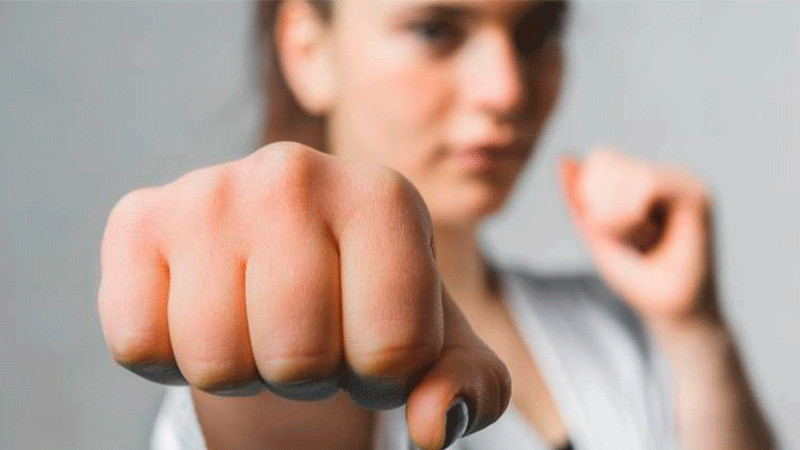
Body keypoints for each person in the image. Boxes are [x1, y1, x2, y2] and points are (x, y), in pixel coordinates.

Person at [97, 1, 776, 449]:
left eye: (537, 30)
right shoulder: (290, 357)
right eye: (434, 29)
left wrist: (695, 329)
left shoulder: (611, 322)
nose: (506, 89)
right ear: (307, 50)